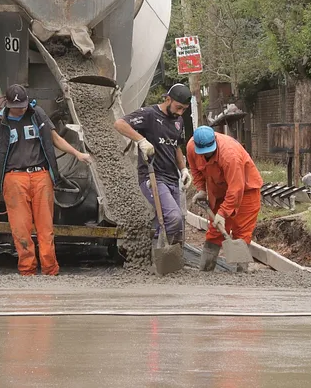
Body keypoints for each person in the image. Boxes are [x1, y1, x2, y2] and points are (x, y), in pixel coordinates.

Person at [0, 84, 92, 276]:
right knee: (20, 228)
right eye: (18, 106)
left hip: (41, 176)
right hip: (14, 179)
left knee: (45, 227)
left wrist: (77, 153)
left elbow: (54, 138)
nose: (22, 108)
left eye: (24, 104)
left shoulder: (38, 115)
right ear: (8, 105)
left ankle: (50, 270)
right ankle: (27, 270)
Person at [113, 83, 193, 245]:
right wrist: (141, 140)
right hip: (153, 177)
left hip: (172, 178)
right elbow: (119, 124)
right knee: (173, 218)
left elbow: (176, 146)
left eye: (184, 109)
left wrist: (183, 169)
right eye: (178, 107)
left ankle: (158, 258)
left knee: (174, 225)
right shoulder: (149, 114)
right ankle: (160, 254)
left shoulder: (178, 121)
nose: (180, 112)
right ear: (168, 99)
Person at [186, 126, 263, 271]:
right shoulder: (191, 147)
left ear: (215, 141)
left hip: (246, 190)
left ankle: (241, 273)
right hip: (219, 189)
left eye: (210, 151)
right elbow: (195, 170)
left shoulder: (229, 155)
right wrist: (202, 189)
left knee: (242, 231)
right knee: (215, 231)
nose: (206, 154)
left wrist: (222, 213)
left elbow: (236, 188)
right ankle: (206, 269)